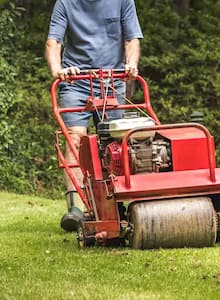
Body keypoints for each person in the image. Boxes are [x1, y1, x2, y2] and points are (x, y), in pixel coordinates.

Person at [45, 0, 143, 231]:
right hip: (75, 80)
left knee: (114, 142)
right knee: (75, 138)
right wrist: (58, 70)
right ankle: (75, 208)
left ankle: (116, 204)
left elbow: (132, 39)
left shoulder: (122, 1)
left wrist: (130, 65)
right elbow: (53, 42)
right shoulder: (66, 3)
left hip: (112, 79)